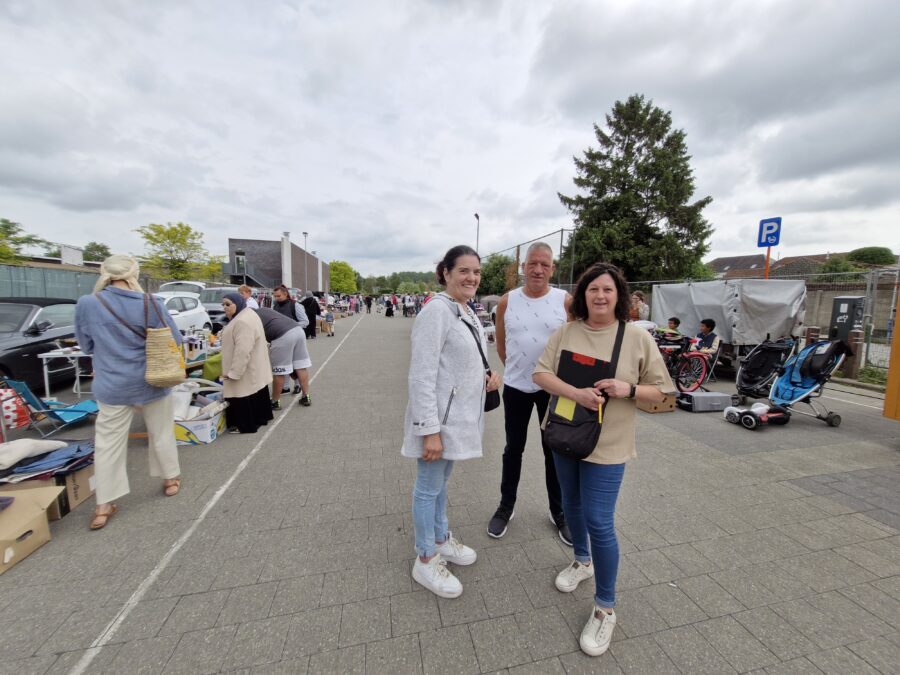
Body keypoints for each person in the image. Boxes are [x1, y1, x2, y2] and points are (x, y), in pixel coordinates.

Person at [533, 262, 674, 658]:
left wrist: (628, 387)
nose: (599, 296)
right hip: (563, 432)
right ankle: (581, 561)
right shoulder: (568, 331)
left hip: (609, 444)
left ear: (619, 296)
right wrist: (576, 394)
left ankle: (605, 607)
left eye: (607, 290)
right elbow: (541, 375)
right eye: (593, 289)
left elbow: (664, 393)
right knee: (571, 504)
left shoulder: (635, 338)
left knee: (599, 519)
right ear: (582, 295)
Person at [402, 245, 501, 598]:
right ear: (446, 272)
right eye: (464, 271)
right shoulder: (435, 312)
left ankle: (441, 538)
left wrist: (489, 375)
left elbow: (467, 358)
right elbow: (421, 374)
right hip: (438, 423)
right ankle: (425, 558)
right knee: (428, 487)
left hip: (456, 419)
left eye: (476, 271)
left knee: (441, 484)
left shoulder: (466, 311)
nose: (472, 277)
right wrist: (428, 430)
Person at [74, 255, 183, 530]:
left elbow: (86, 345)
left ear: (105, 273)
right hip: (153, 380)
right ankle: (170, 479)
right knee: (161, 432)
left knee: (108, 444)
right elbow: (175, 339)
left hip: (112, 383)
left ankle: (103, 504)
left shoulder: (88, 303)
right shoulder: (151, 302)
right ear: (134, 273)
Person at [487, 242, 574, 545]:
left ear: (552, 269)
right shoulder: (507, 302)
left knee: (555, 451)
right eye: (532, 263)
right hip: (516, 388)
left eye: (545, 264)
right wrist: (517, 369)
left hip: (554, 391)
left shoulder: (565, 301)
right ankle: (506, 506)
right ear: (523, 267)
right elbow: (501, 344)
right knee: (514, 449)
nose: (538, 270)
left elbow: (577, 343)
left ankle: (559, 512)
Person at [219, 293, 274, 433]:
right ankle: (261, 418)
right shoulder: (248, 314)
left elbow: (242, 350)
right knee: (256, 391)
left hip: (247, 366)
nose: (224, 307)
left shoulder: (242, 321)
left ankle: (245, 425)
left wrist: (234, 372)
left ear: (237, 304)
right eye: (223, 304)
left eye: (228, 304)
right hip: (255, 364)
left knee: (243, 393)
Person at [254, 307, 312, 409]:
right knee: (300, 366)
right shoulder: (263, 310)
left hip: (282, 335)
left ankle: (275, 401)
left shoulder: (248, 317)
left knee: (279, 370)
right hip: (298, 330)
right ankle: (306, 396)